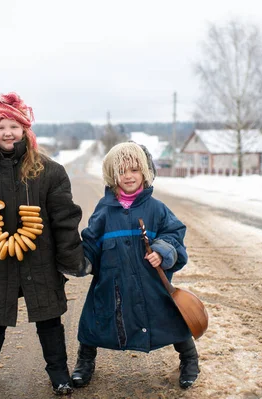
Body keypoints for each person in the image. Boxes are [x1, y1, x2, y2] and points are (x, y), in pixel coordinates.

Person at [0, 92, 86, 397]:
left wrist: (72, 258)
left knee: (49, 318)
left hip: (40, 259)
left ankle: (59, 374)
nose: (8, 133)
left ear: (25, 130)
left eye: (14, 126)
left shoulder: (49, 171)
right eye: (0, 127)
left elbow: (65, 219)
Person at [71, 142, 200, 389]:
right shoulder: (104, 210)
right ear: (112, 175)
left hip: (151, 284)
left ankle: (189, 360)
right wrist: (80, 260)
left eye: (134, 170)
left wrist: (162, 251)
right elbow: (91, 241)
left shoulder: (156, 208)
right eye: (121, 171)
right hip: (112, 283)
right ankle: (84, 362)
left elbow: (175, 235)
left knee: (173, 319)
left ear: (145, 172)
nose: (128, 176)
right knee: (92, 322)